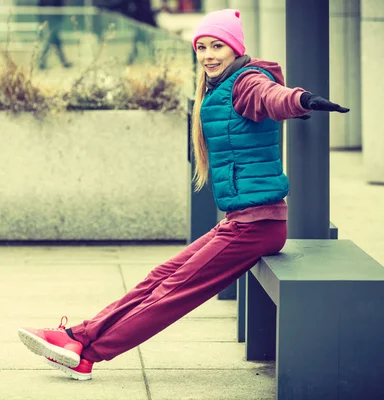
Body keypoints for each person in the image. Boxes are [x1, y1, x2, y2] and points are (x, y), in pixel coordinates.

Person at [18, 8, 349, 381]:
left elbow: (271, 97)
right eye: (202, 47)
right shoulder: (217, 88)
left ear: (235, 48)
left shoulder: (246, 81)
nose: (208, 55)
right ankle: (77, 336)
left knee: (174, 292)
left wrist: (300, 100)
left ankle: (88, 355)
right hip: (241, 221)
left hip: (258, 225)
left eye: (217, 46)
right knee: (158, 277)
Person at [37, 0, 72, 69]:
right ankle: (42, 60)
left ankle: (63, 61)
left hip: (55, 16)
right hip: (51, 16)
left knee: (55, 39)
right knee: (52, 38)